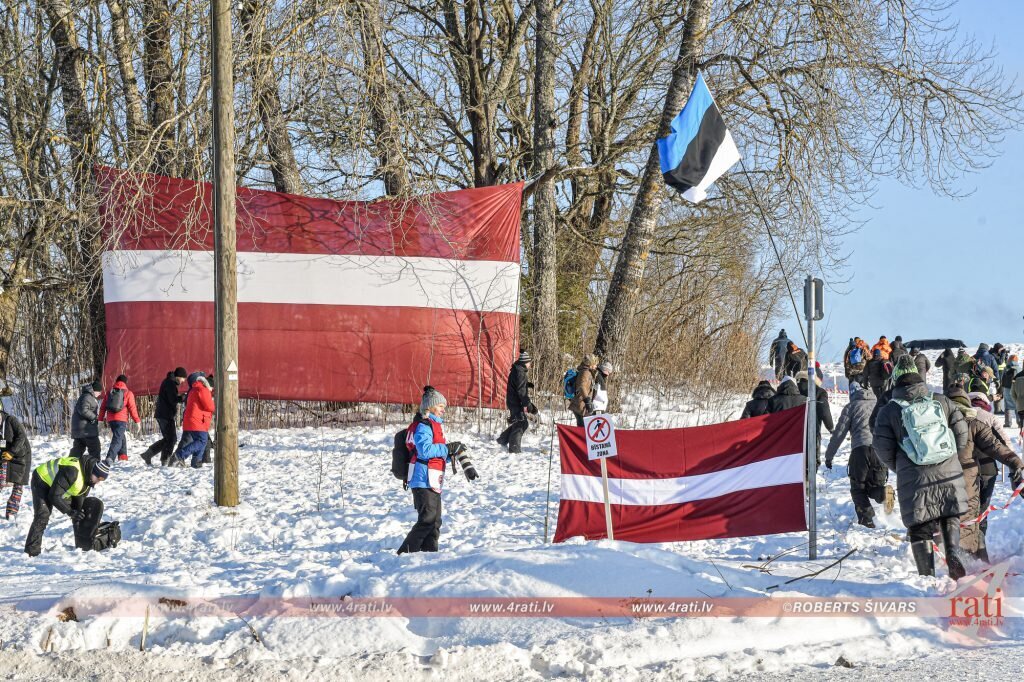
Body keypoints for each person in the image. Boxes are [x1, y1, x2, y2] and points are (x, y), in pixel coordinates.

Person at [873, 372, 969, 579]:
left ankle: (927, 577)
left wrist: (899, 466)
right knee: (949, 511)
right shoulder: (942, 401)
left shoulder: (889, 410)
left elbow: (881, 446)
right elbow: (962, 432)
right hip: (948, 468)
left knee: (919, 521)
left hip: (913, 475)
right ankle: (952, 552)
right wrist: (951, 455)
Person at [946, 387, 1024, 561]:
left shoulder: (940, 422)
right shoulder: (979, 419)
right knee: (978, 514)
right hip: (984, 471)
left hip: (944, 477)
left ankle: (950, 553)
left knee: (950, 516)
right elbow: (1000, 444)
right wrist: (1015, 464)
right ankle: (977, 556)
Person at [398, 387, 471, 554]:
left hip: (433, 479)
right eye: (440, 406)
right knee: (427, 520)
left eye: (444, 406)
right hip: (422, 479)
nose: (443, 409)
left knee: (435, 522)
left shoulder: (436, 426)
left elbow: (436, 455)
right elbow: (424, 451)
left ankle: (430, 555)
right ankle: (404, 553)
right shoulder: (424, 426)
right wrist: (447, 448)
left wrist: (452, 453)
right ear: (429, 407)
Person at [824, 382, 893, 527]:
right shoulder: (880, 405)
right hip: (880, 450)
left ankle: (867, 520)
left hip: (860, 450)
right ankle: (882, 493)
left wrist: (829, 456)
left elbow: (839, 434)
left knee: (858, 488)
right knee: (875, 485)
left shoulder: (851, 407)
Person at [25, 455, 109, 557]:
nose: (98, 482)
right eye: (98, 478)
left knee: (78, 512)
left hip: (59, 485)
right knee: (43, 515)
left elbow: (78, 501)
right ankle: (32, 551)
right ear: (92, 472)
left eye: (101, 480)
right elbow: (54, 496)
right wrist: (70, 511)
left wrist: (78, 513)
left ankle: (81, 543)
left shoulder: (88, 478)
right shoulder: (72, 471)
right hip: (42, 479)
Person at [141, 367, 187, 466]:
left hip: (163, 414)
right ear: (179, 376)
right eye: (183, 378)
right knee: (172, 439)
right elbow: (172, 399)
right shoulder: (170, 383)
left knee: (168, 439)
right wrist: (182, 398)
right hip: (165, 415)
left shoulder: (169, 382)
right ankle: (165, 459)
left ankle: (149, 454)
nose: (183, 381)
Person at [497, 352, 536, 454]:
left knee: (520, 422)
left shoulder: (517, 370)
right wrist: (528, 404)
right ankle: (514, 449)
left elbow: (518, 385)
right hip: (515, 402)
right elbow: (521, 391)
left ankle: (502, 439)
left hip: (513, 401)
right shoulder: (520, 372)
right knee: (521, 423)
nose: (530, 364)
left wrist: (527, 384)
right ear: (525, 362)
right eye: (529, 362)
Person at [175, 372, 215, 468]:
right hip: (197, 421)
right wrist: (214, 405)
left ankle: (196, 462)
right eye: (212, 388)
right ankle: (180, 455)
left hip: (192, 420)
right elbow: (209, 406)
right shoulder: (203, 390)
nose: (212, 390)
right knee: (202, 440)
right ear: (209, 385)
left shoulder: (195, 389)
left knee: (201, 441)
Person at [99, 374, 140, 465]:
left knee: (120, 436)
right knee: (117, 438)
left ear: (116, 381)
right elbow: (132, 409)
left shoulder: (109, 392)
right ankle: (110, 457)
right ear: (125, 383)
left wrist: (100, 420)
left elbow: (102, 407)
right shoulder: (128, 393)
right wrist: (137, 421)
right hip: (121, 420)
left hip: (111, 419)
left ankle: (122, 455)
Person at [797, 370, 834, 465]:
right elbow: (824, 410)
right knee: (812, 463)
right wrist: (830, 427)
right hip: (813, 432)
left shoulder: (794, 391)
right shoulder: (819, 392)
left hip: (795, 434)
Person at [0, 408, 31, 520]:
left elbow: (21, 436)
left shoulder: (11, 420)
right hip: (5, 454)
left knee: (18, 484)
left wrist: (12, 452)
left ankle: (11, 513)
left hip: (21, 456)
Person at [70, 381, 103, 459]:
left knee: (77, 451)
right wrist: (94, 417)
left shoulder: (86, 396)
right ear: (94, 390)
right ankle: (94, 465)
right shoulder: (87, 397)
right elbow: (83, 410)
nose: (100, 394)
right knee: (95, 449)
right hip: (86, 430)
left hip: (81, 429)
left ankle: (69, 465)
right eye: (99, 392)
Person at [569, 354, 599, 427]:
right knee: (582, 428)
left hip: (581, 404)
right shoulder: (585, 372)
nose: (596, 366)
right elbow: (582, 386)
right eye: (595, 364)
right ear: (590, 363)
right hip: (580, 404)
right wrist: (587, 401)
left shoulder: (587, 372)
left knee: (583, 427)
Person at [1000, 356, 1020, 428]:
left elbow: (1002, 379)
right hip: (1016, 389)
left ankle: (1008, 423)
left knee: (1007, 406)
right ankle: (1020, 423)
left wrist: (1001, 390)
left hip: (1007, 389)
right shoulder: (1019, 368)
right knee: (1018, 406)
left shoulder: (1006, 368)